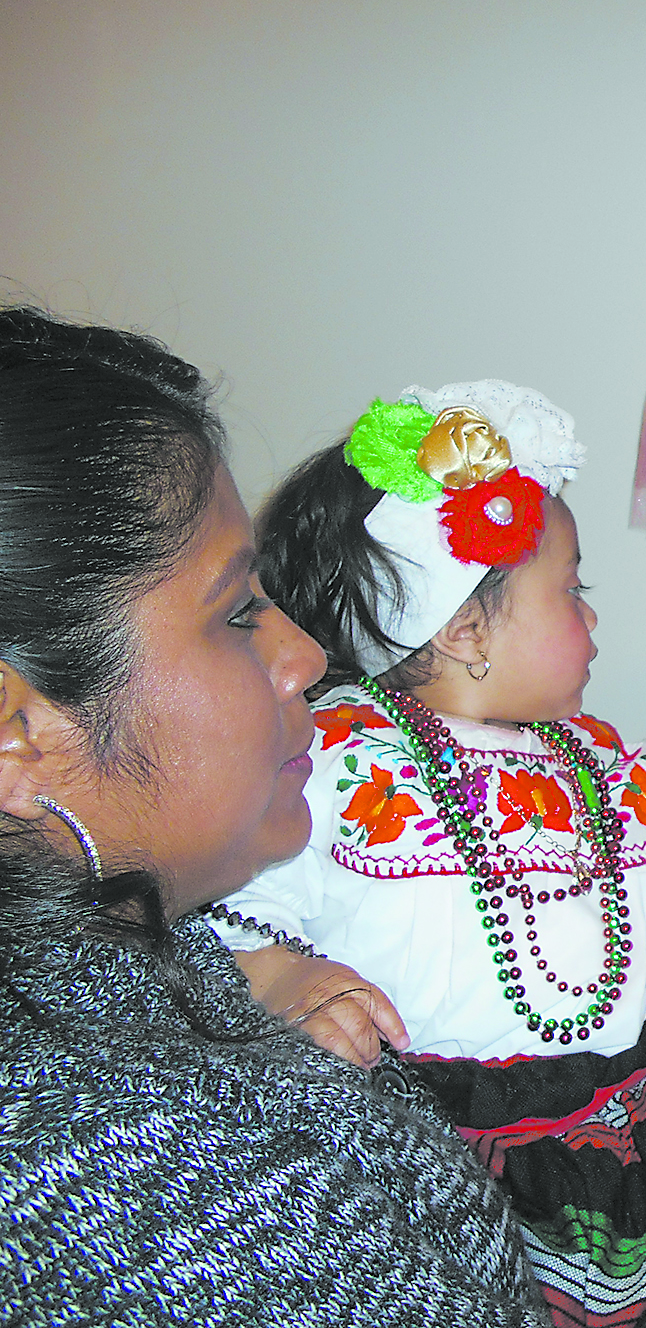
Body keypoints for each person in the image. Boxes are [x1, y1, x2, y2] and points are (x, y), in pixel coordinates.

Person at [210, 380, 646, 1328]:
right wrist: (277, 973)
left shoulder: (597, 766)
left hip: (637, 1125)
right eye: (573, 590)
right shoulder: (348, 755)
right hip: (442, 1144)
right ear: (465, 629)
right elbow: (252, 887)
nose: (594, 618)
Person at [0, 307, 550, 1324]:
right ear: (16, 733)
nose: (305, 657)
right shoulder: (144, 1179)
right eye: (237, 612)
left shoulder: (151, 968)